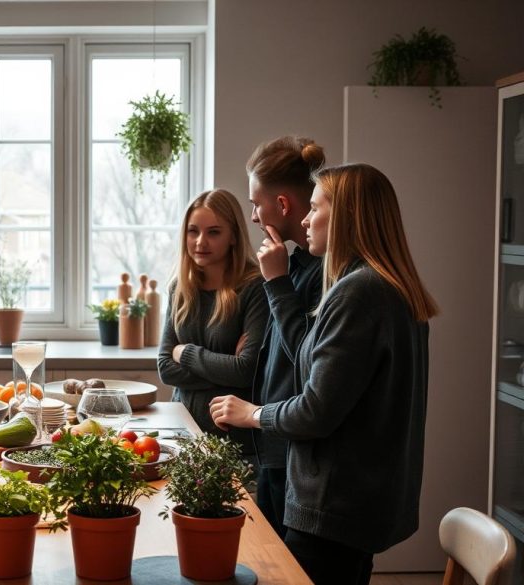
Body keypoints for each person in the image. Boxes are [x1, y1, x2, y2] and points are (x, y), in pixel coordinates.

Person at [210, 163, 438, 585]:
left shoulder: (360, 292)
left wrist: (252, 414)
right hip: (358, 504)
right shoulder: (381, 286)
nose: (304, 219)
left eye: (314, 208)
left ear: (347, 217)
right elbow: (314, 365)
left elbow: (316, 411)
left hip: (335, 507)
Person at [246, 136, 326, 538]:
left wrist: (276, 283)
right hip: (274, 441)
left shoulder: (323, 273)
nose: (255, 217)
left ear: (281, 205)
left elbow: (307, 360)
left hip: (292, 447)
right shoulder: (293, 262)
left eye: (256, 204)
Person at [157, 189, 268, 449]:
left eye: (214, 232)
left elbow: (246, 372)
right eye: (193, 231)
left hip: (233, 440)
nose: (200, 242)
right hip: (181, 432)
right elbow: (164, 366)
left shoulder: (254, 288)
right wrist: (224, 368)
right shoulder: (180, 287)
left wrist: (185, 353)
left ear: (233, 236)